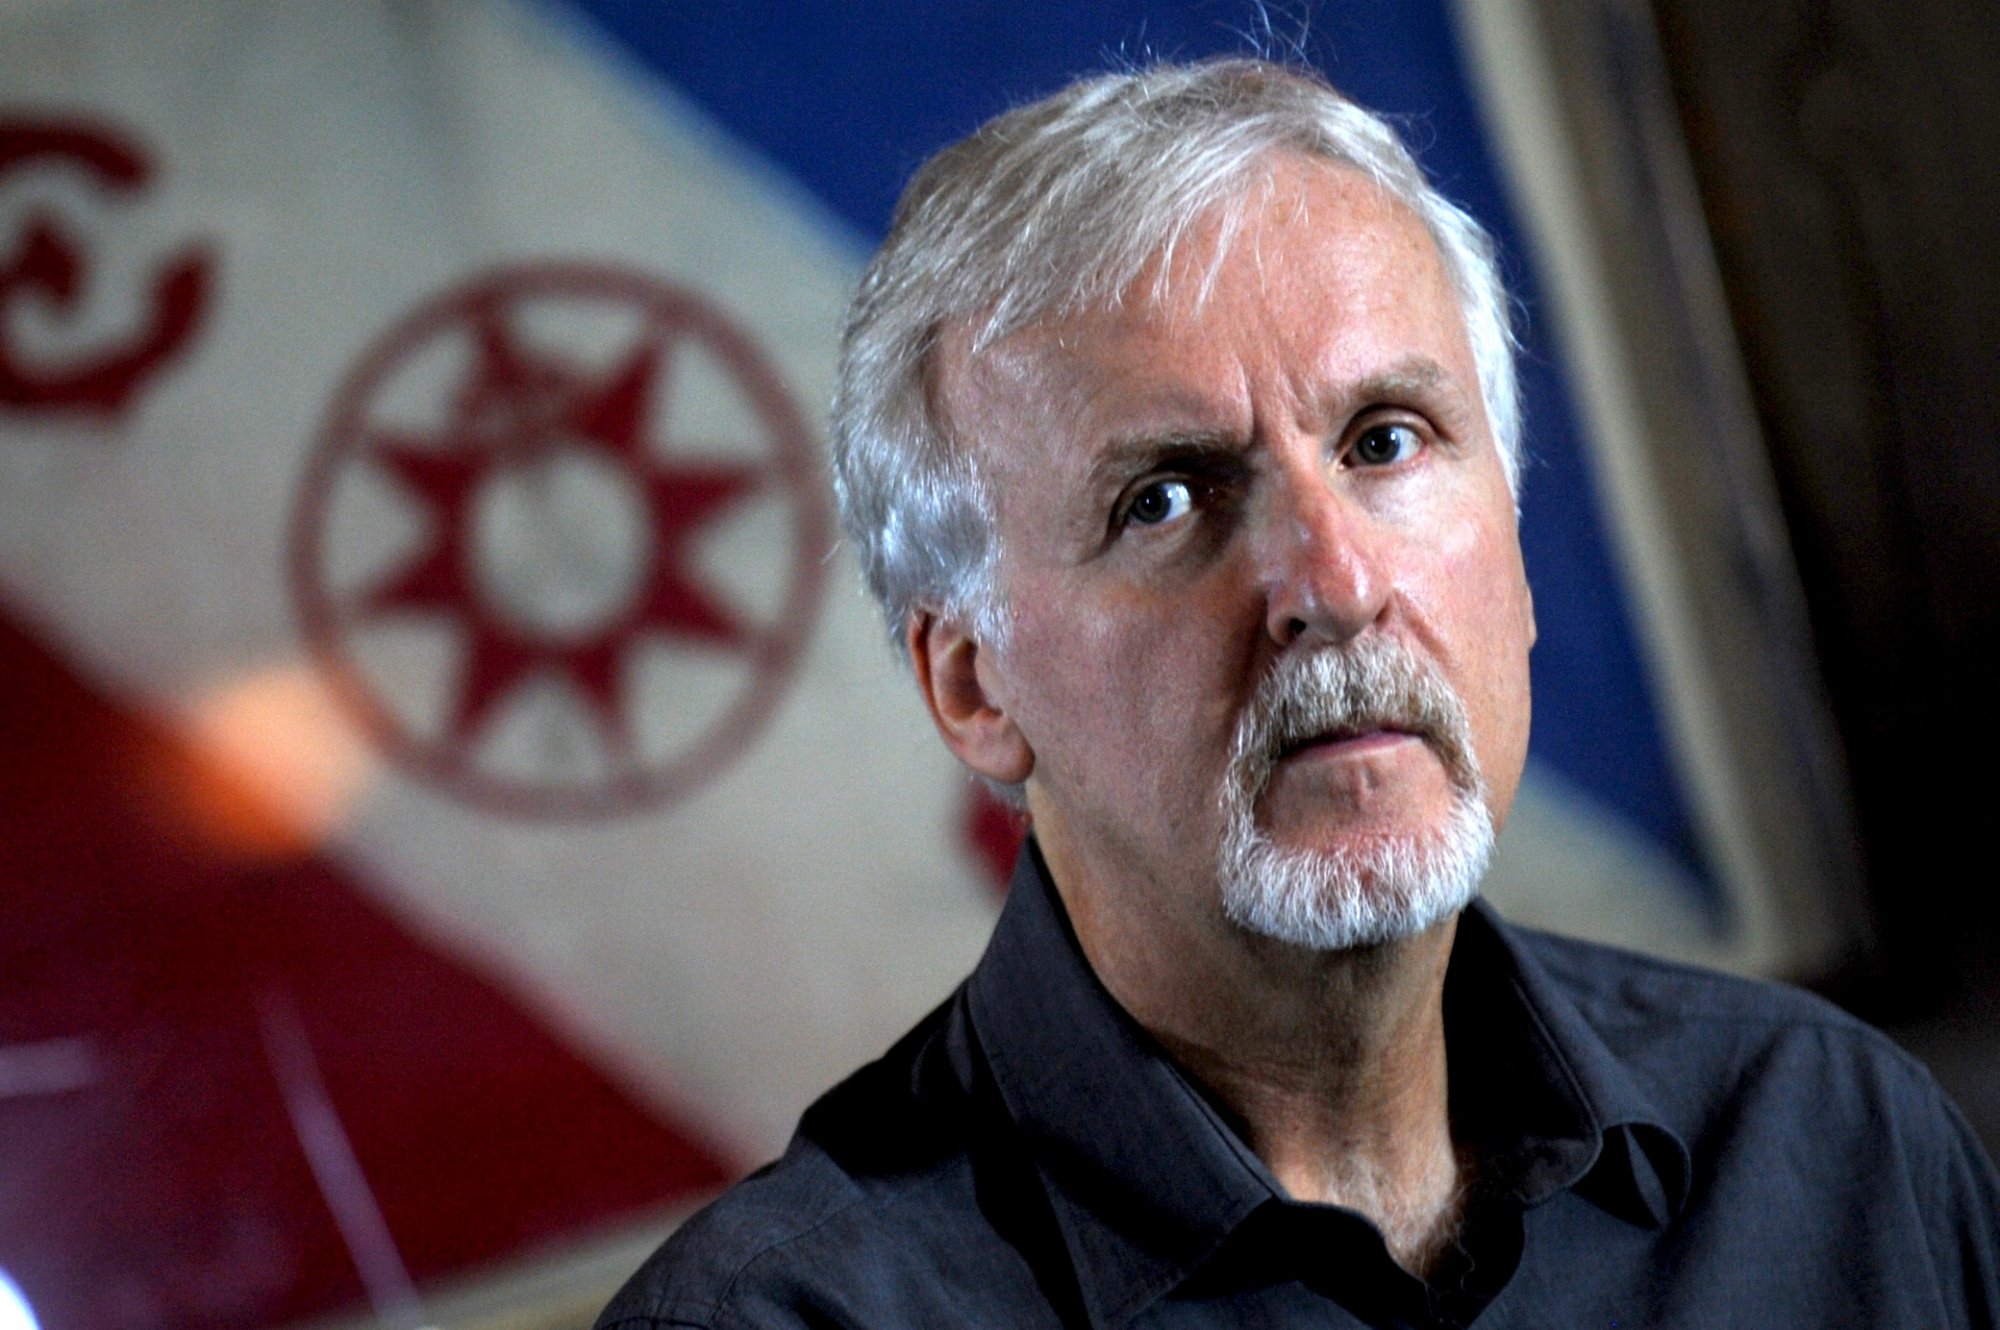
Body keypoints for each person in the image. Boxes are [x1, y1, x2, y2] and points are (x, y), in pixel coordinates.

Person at [599, 58, 2000, 1328]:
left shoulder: (1835, 1142)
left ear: (1512, 548)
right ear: (972, 683)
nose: (1331, 581)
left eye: (1387, 439)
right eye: (1165, 497)